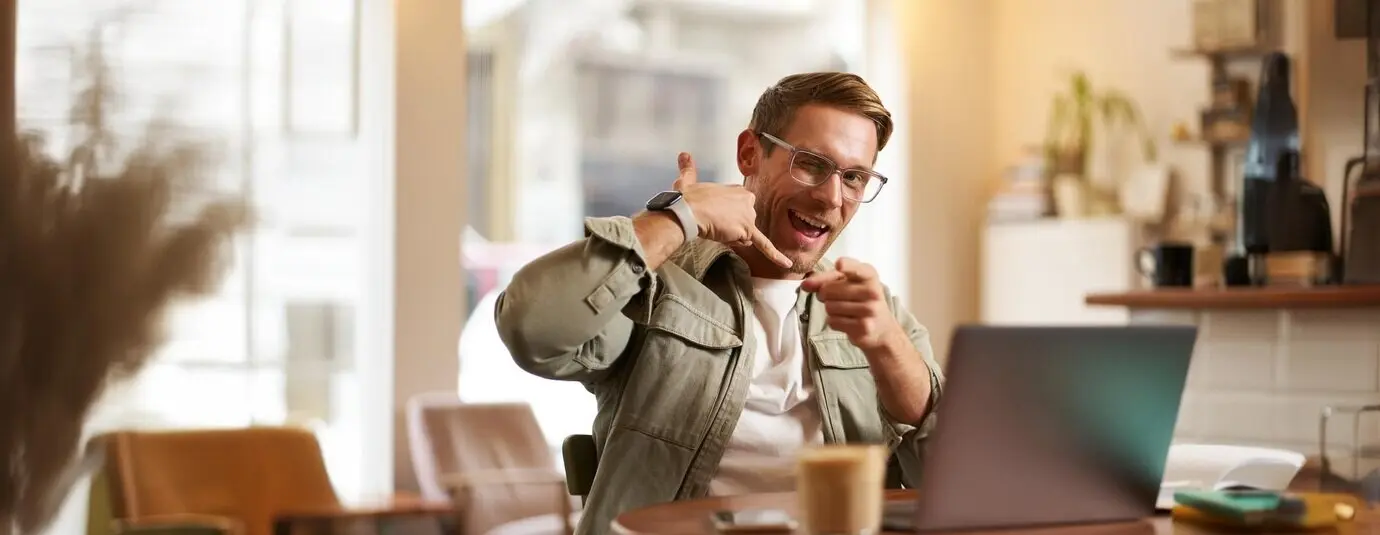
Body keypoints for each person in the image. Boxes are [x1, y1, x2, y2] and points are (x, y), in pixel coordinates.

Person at [495, 72, 944, 534]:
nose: (832, 196)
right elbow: (533, 328)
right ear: (750, 153)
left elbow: (960, 484)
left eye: (853, 177)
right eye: (811, 164)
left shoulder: (875, 312)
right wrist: (678, 218)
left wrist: (888, 344)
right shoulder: (655, 286)